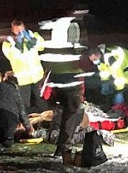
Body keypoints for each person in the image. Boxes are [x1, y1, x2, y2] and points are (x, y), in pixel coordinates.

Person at [39, 15, 91, 165]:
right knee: (72, 113)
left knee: (63, 111)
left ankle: (60, 144)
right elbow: (80, 54)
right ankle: (63, 147)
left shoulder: (53, 25)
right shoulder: (73, 27)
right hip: (70, 77)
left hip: (57, 76)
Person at [88, 44, 128, 130]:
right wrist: (104, 84)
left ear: (98, 55)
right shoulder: (101, 58)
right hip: (122, 70)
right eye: (92, 60)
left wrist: (118, 92)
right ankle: (127, 118)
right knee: (119, 95)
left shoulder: (111, 59)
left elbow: (119, 77)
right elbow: (104, 72)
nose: (94, 62)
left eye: (95, 59)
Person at [2, 19, 46, 114]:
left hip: (38, 76)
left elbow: (42, 46)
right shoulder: (8, 42)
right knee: (24, 106)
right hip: (23, 80)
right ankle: (28, 126)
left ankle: (45, 122)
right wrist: (18, 44)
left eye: (21, 30)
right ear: (12, 30)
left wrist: (32, 40)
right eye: (17, 30)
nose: (19, 32)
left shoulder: (32, 34)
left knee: (42, 101)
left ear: (24, 27)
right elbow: (12, 56)